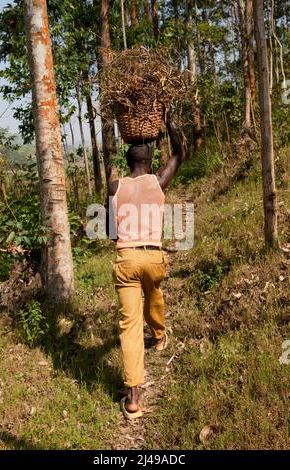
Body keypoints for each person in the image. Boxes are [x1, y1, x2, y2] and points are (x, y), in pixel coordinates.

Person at [108, 117, 185, 419]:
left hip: (126, 258)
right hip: (153, 257)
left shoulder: (115, 186)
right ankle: (160, 334)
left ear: (127, 162)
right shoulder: (158, 180)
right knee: (154, 293)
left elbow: (109, 232)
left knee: (129, 327)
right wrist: (169, 122)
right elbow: (179, 154)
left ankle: (133, 397)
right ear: (151, 160)